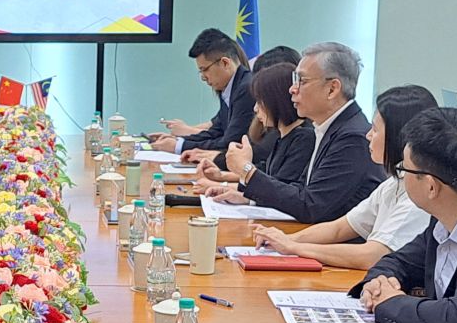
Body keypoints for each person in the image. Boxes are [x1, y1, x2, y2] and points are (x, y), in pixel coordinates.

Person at [250, 84, 438, 272]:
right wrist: (286, 239)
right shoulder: (393, 183)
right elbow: (340, 228)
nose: (368, 135)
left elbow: (371, 256)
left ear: (397, 136)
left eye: (375, 129)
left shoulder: (418, 195)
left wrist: (294, 247)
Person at [359, 107, 457, 323]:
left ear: (431, 186)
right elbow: (396, 262)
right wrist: (379, 284)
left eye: (404, 169)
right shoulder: (441, 222)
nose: (400, 176)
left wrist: (390, 303)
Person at [207, 41, 378, 225]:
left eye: (302, 81)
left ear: (332, 89)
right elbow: (299, 189)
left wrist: (246, 170)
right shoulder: (330, 128)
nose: (292, 89)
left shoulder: (353, 138)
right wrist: (250, 198)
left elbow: (311, 206)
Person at [193, 64, 310, 203]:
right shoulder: (281, 137)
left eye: (260, 102)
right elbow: (266, 172)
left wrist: (226, 182)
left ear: (277, 101)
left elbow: (277, 190)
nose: (255, 108)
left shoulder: (304, 139)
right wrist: (222, 176)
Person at [151, 29, 253, 160]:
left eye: (204, 70)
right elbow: (215, 132)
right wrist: (178, 140)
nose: (203, 77)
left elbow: (229, 143)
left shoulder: (246, 89)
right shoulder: (229, 87)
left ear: (225, 63)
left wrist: (179, 147)